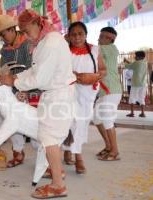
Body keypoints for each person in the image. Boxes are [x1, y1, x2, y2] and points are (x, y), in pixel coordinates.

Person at [0, 9, 75, 198]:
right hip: (52, 94)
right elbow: (34, 72)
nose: (24, 35)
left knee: (49, 138)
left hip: (57, 95)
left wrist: (14, 82)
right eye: (22, 31)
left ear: (36, 24)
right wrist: (15, 76)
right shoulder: (43, 41)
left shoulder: (50, 42)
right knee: (48, 137)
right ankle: (57, 173)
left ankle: (58, 185)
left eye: (25, 30)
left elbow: (39, 78)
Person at [0, 14, 37, 168]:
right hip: (14, 90)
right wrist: (3, 79)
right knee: (12, 120)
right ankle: (18, 152)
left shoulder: (28, 44)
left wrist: (26, 90)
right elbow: (4, 69)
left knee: (36, 126)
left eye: (3, 34)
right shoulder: (5, 49)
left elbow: (34, 70)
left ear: (11, 29)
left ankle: (48, 158)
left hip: (33, 88)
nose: (2, 38)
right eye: (0, 36)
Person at [63, 22, 106, 174]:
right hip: (68, 92)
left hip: (88, 94)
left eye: (80, 33)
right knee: (69, 123)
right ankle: (76, 157)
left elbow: (103, 70)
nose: (77, 37)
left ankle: (71, 152)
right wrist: (73, 76)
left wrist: (94, 77)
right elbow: (58, 71)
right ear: (68, 36)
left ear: (86, 35)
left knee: (81, 124)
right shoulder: (64, 51)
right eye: (73, 34)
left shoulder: (94, 49)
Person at [93, 27, 122, 161]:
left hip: (111, 90)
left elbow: (91, 50)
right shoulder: (102, 50)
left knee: (107, 120)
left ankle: (114, 151)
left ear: (111, 39)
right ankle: (109, 146)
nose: (99, 38)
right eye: (100, 36)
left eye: (103, 36)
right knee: (97, 118)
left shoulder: (109, 48)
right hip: (105, 91)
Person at [125, 51, 148, 117]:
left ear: (139, 57)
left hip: (135, 84)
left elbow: (128, 66)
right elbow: (133, 65)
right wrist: (129, 62)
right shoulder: (144, 63)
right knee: (142, 98)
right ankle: (143, 113)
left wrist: (126, 62)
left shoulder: (136, 63)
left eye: (136, 56)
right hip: (143, 84)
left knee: (132, 97)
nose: (135, 57)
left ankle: (132, 113)